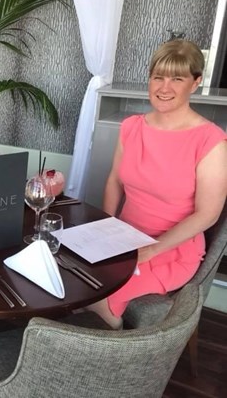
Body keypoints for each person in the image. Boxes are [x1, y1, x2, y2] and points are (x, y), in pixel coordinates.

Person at [86, 39, 227, 329]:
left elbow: (208, 214)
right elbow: (114, 180)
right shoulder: (132, 127)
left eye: (177, 78)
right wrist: (106, 226)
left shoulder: (211, 142)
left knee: (100, 296)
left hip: (172, 250)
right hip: (124, 238)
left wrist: (151, 250)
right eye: (158, 77)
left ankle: (107, 363)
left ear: (196, 82)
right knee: (73, 277)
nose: (165, 88)